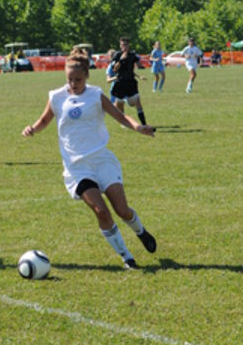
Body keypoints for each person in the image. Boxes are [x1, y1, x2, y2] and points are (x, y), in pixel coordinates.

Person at [22, 48, 157, 270]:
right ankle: (127, 257)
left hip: (102, 160)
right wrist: (32, 129)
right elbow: (44, 120)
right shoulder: (56, 96)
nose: (73, 84)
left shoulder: (95, 95)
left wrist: (138, 127)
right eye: (69, 79)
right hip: (77, 167)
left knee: (122, 210)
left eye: (78, 79)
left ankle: (140, 231)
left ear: (86, 76)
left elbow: (120, 116)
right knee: (101, 212)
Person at [111, 37, 148, 125]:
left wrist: (141, 65)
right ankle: (123, 122)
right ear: (120, 45)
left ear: (129, 45)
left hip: (131, 82)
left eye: (126, 44)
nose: (124, 46)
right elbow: (114, 69)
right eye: (122, 45)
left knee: (136, 102)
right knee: (120, 104)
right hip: (120, 83)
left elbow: (139, 65)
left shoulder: (132, 54)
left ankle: (144, 124)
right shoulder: (117, 55)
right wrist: (121, 60)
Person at [105, 49, 125, 117]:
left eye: (115, 54)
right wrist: (116, 77)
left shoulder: (122, 64)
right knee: (117, 107)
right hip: (115, 89)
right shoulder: (110, 67)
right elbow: (108, 80)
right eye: (112, 55)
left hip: (125, 87)